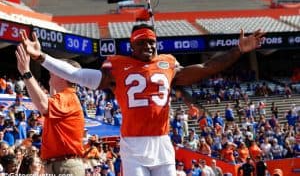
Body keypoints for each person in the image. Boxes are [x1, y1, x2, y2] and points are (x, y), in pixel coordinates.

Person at [19, 24, 264, 176]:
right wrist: (41, 56)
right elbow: (76, 74)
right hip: (133, 145)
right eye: (142, 42)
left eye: (152, 42)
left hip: (161, 142)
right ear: (132, 46)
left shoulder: (167, 65)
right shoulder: (117, 69)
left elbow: (207, 67)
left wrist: (238, 50)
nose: (148, 46)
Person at [15, 46, 85, 175]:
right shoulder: (64, 97)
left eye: (57, 69)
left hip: (65, 166)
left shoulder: (68, 97)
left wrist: (26, 72)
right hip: (59, 164)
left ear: (65, 76)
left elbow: (43, 105)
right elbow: (49, 99)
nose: (52, 70)